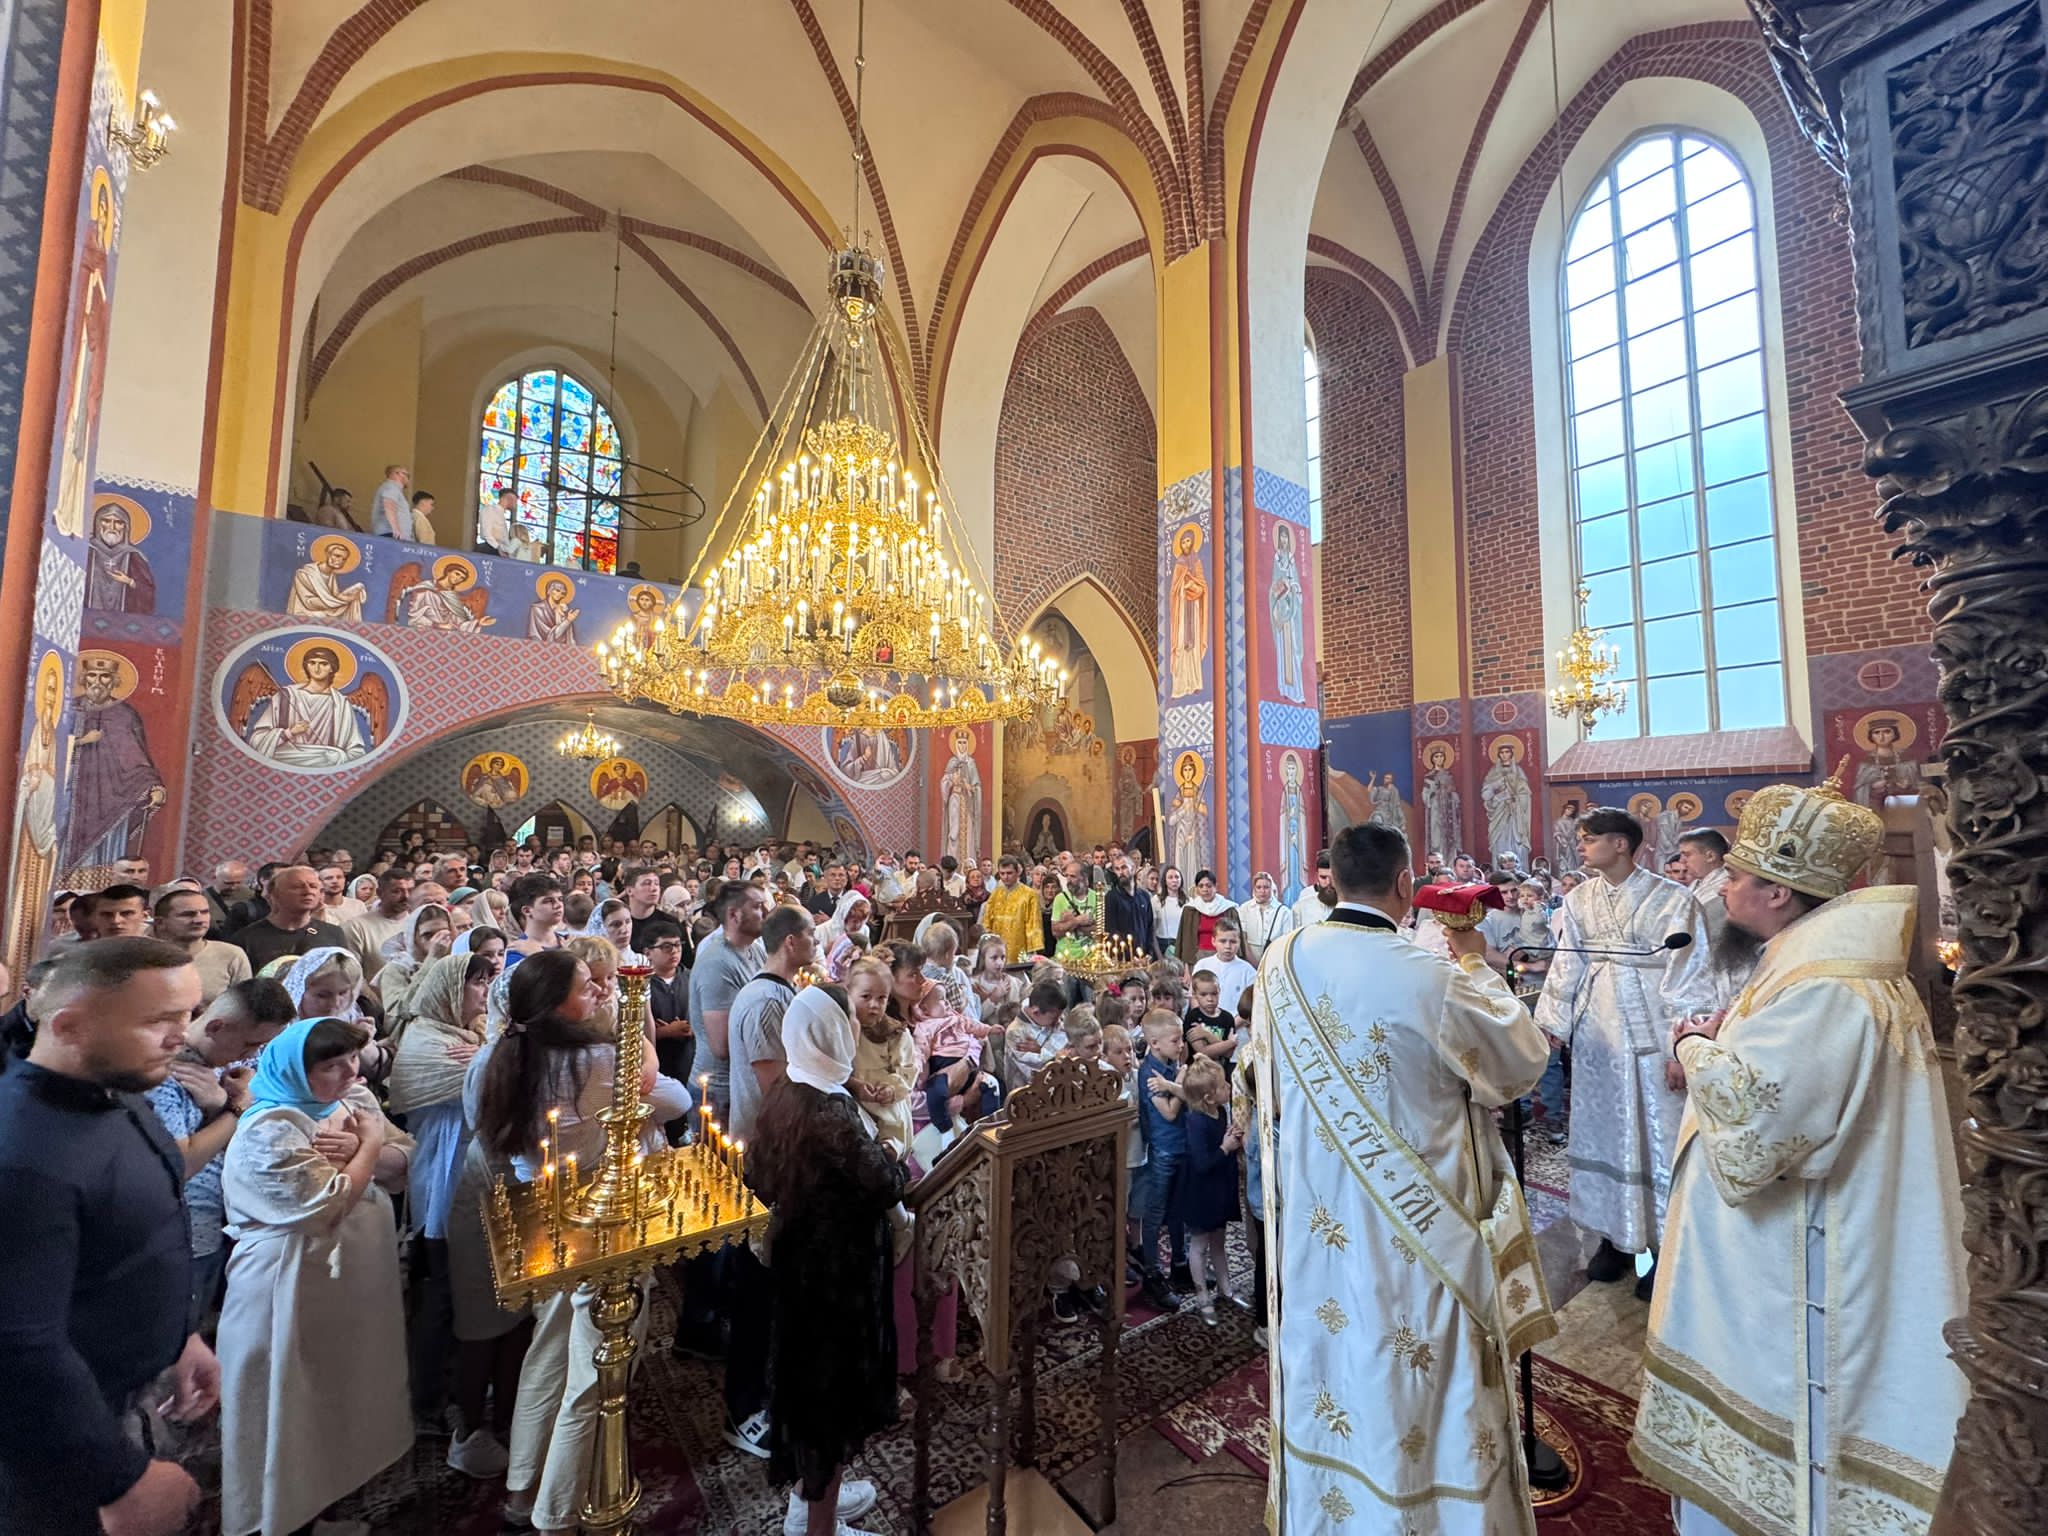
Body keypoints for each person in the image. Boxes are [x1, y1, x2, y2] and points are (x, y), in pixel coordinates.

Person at [1633, 768, 1967, 1536]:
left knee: (1803, 1445)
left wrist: (1693, 1044)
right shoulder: (1815, 963)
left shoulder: (1830, 985)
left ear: (1778, 893)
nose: (1723, 889)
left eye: (1736, 877)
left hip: (1810, 1258)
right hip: (1802, 1232)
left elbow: (1759, 1125)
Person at [1248, 822, 1554, 1533]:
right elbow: (1520, 1061)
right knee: (1416, 1359)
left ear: (1331, 879)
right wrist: (1476, 964)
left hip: (1320, 1212)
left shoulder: (1280, 960)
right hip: (1419, 1230)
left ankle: (1334, 1511)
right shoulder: (1430, 976)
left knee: (1335, 1346)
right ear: (1404, 883)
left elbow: (1259, 1074)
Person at [0, 939, 219, 1536]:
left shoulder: (113, 1088)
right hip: (48, 1444)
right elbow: (18, 1346)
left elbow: (135, 1238)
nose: (181, 1038)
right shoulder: (24, 1155)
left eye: (188, 1015)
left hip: (117, 1396)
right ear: (69, 1025)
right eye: (159, 1021)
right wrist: (117, 1479)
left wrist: (180, 1336)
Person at [478, 952, 690, 1535]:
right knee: (596, 1373)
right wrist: (634, 1032)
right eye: (585, 988)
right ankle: (557, 1511)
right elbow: (673, 1099)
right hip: (601, 1222)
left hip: (544, 1219)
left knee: (548, 1353)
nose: (598, 993)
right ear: (555, 1006)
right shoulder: (593, 1061)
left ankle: (523, 1486)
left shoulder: (507, 1053)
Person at [1535, 806, 1714, 1298]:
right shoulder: (1579, 898)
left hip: (1653, 1033)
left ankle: (1664, 1249)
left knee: (1657, 1137)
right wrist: (1552, 1024)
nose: (1581, 845)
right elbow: (1568, 963)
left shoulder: (1673, 899)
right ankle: (1613, 1239)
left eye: (1590, 837)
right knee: (1604, 1135)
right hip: (1598, 1038)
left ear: (1621, 844)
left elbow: (1691, 975)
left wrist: (1683, 1048)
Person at [752, 986, 905, 1536]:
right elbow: (885, 1183)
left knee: (811, 1391)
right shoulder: (830, 1109)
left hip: (800, 1264)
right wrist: (890, 1152)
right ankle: (820, 1526)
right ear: (833, 1033)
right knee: (831, 1402)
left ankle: (807, 1502)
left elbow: (758, 1176)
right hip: (838, 1274)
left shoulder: (788, 1089)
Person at [386, 952, 496, 1468]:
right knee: (439, 1293)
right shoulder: (427, 1041)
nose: (484, 992)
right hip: (441, 1178)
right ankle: (424, 1398)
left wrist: (485, 1052)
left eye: (487, 982)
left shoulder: (473, 1035)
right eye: (476, 984)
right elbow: (493, 1082)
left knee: (466, 1287)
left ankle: (457, 1381)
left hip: (470, 1173)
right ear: (449, 991)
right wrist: (488, 1057)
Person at [146, 978, 296, 1329]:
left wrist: (225, 1103)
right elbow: (180, 1163)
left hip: (213, 1223)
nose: (251, 1054)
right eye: (249, 1043)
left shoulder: (221, 1065)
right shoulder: (168, 1073)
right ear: (216, 1027)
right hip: (180, 1232)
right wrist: (237, 1109)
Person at [1168, 1054, 1241, 1324]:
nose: (1229, 1087)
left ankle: (1225, 1287)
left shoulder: (1219, 1112)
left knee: (1219, 1240)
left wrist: (1229, 1140)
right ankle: (1202, 1297)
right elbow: (1201, 1163)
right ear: (1209, 1097)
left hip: (1219, 1186)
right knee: (1199, 1244)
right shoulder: (1196, 1122)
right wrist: (1225, 1147)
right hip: (1201, 1191)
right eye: (1223, 1085)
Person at [1133, 1008, 1191, 1307]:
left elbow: (1190, 1095)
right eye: (1175, 1040)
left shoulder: (1171, 1064)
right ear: (1154, 1043)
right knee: (1155, 1214)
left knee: (1180, 1209)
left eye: (1181, 1039)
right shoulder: (1149, 1074)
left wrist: (1177, 1086)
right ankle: (1152, 1273)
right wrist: (1180, 1084)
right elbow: (1168, 1113)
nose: (1181, 1045)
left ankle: (1180, 1264)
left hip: (1182, 1144)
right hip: (1163, 1150)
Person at [232, 864, 348, 973]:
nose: (308, 891)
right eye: (297, 887)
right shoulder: (246, 939)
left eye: (313, 886)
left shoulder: (333, 933)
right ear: (275, 895)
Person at [981, 854, 1041, 964]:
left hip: (1019, 948)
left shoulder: (1029, 895)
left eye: (1009, 873)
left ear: (1018, 872)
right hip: (997, 949)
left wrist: (1032, 950)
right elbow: (987, 921)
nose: (1005, 877)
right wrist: (987, 944)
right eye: (1002, 873)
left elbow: (1033, 924)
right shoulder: (996, 894)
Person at [1192, 917, 1257, 1017]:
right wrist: (1204, 1020)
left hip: (1235, 1024)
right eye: (1222, 941)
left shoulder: (1248, 971)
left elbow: (1251, 1005)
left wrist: (1230, 1023)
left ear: (1239, 942)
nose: (1228, 946)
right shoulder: (1202, 965)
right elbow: (1194, 997)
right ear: (1213, 941)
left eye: (1233, 942)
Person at [1102, 851, 1159, 959]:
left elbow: (1149, 927)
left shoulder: (1144, 896)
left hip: (1144, 957)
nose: (1121, 872)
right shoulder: (1111, 897)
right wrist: (1129, 955)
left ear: (1133, 868)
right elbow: (1111, 930)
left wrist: (1149, 953)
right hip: (1122, 958)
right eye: (1117, 869)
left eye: (1124, 867)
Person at [1234, 870, 1295, 962]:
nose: (1262, 891)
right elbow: (1243, 938)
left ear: (1271, 888)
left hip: (1275, 957)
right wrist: (1252, 962)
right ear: (1254, 889)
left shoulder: (1284, 912)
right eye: (1259, 887)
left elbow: (1287, 940)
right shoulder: (1244, 908)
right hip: (1249, 958)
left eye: (1266, 887)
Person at [1174, 868, 1235, 960]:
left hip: (1224, 955)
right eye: (1201, 886)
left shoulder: (1228, 909)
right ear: (1197, 889)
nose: (1205, 889)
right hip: (1197, 956)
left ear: (1215, 887)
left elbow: (1237, 938)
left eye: (1209, 886)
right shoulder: (1190, 910)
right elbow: (1183, 939)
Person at [369, 464, 413, 539]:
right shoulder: (392, 486)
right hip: (391, 534)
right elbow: (389, 505)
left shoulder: (393, 488)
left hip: (392, 534)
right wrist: (396, 529)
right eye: (407, 475)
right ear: (398, 473)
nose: (408, 479)